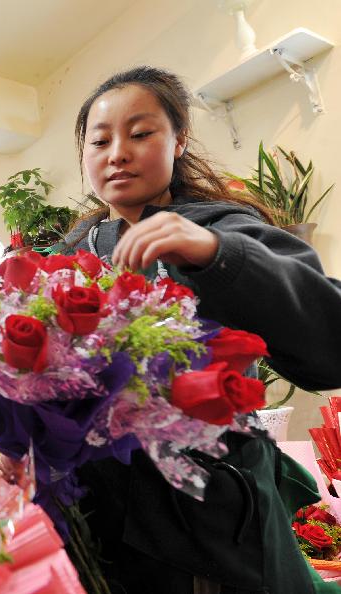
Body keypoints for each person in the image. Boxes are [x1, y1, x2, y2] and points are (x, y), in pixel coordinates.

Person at [59, 66, 341, 594]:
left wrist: (217, 255)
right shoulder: (67, 259)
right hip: (96, 526)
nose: (117, 152)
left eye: (140, 133)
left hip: (210, 523)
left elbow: (330, 345)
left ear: (179, 140)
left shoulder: (223, 230)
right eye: (99, 140)